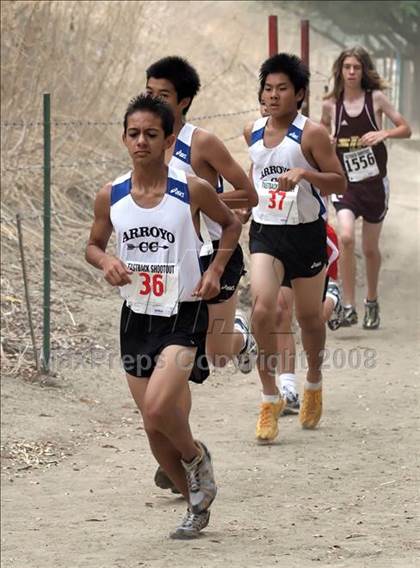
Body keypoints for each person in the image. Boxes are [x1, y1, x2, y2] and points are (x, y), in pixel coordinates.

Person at [85, 94, 241, 539]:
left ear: (169, 138)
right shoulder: (111, 195)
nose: (141, 142)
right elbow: (93, 244)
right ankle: (194, 494)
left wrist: (213, 271)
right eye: (134, 134)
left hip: (183, 312)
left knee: (158, 407)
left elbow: (231, 224)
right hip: (137, 317)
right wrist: (105, 263)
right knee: (153, 428)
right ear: (123, 138)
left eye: (152, 134)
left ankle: (195, 461)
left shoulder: (190, 187)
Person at [244, 53, 346, 442]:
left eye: (281, 89)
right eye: (267, 89)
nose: (272, 96)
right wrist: (245, 204)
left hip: (306, 234)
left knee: (309, 319)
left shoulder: (312, 134)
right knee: (263, 309)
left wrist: (306, 174)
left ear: (299, 93)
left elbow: (339, 184)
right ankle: (269, 397)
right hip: (266, 233)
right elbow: (257, 170)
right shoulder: (251, 131)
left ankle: (314, 381)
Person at [145, 56, 258, 372]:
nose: (152, 101)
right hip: (173, 255)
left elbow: (249, 194)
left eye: (162, 96)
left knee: (217, 355)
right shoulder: (145, 141)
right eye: (148, 92)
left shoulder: (201, 142)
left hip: (218, 249)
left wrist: (201, 201)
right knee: (170, 346)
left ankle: (242, 336)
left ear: (184, 101)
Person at [321, 46, 411, 329]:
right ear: (340, 70)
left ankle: (371, 300)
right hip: (345, 183)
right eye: (347, 67)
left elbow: (405, 128)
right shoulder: (330, 105)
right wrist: (329, 142)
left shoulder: (377, 99)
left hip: (374, 184)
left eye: (356, 68)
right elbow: (321, 136)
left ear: (364, 71)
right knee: (346, 237)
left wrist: (384, 132)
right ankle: (348, 306)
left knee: (370, 248)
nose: (351, 72)